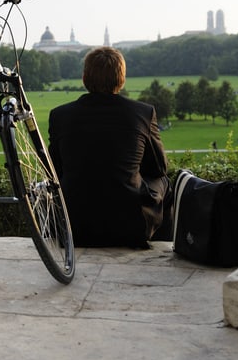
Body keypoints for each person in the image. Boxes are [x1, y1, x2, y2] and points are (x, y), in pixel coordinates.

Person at [48, 47, 171, 248]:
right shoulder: (143, 113)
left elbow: (55, 171)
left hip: (74, 227)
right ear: (121, 78)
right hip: (130, 228)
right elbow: (159, 169)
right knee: (164, 182)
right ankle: (164, 247)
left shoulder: (60, 115)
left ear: (84, 77)